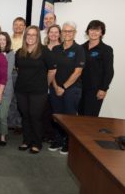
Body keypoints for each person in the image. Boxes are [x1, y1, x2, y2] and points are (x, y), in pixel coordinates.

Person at [15, 26, 56, 154]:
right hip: (21, 90)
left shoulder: (45, 51)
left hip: (38, 91)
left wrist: (46, 84)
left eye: (34, 35)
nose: (31, 37)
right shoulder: (19, 52)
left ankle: (37, 143)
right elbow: (18, 69)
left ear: (38, 36)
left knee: (35, 116)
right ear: (25, 36)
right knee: (25, 116)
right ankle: (27, 141)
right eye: (28, 35)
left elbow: (52, 70)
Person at [49, 21, 85, 155]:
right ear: (61, 33)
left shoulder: (79, 49)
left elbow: (77, 72)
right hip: (55, 88)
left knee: (69, 117)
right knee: (57, 116)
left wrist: (63, 87)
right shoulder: (56, 49)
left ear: (74, 33)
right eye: (64, 31)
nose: (67, 33)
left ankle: (68, 143)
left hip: (71, 89)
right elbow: (51, 70)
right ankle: (58, 139)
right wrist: (55, 86)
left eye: (70, 31)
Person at [79, 20, 114, 116]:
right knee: (79, 118)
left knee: (90, 118)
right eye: (92, 29)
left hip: (95, 90)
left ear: (101, 33)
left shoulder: (106, 49)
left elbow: (109, 71)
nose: (94, 32)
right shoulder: (80, 48)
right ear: (88, 31)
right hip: (79, 88)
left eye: (97, 30)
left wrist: (103, 89)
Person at [8, 17, 26, 135]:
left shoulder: (27, 40)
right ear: (13, 26)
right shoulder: (8, 39)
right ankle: (10, 122)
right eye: (16, 24)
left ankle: (19, 124)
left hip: (22, 73)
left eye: (21, 25)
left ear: (24, 27)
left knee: (19, 98)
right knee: (10, 98)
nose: (18, 27)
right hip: (9, 72)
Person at [0, 32, 15, 146]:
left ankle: (3, 136)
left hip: (6, 89)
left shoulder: (10, 53)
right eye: (0, 39)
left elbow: (7, 74)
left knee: (2, 115)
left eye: (4, 39)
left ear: (7, 41)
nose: (2, 42)